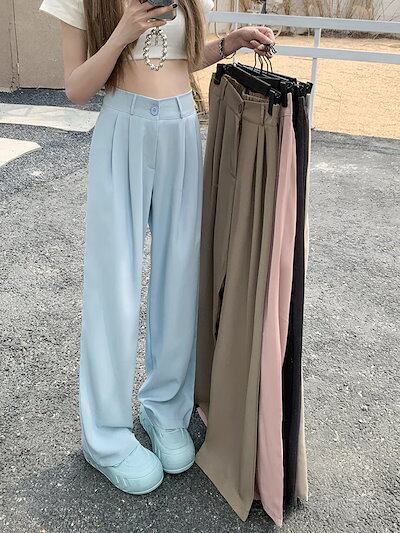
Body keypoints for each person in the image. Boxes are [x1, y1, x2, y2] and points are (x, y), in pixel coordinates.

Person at [38, 0, 275, 496]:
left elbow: (181, 59)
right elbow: (76, 88)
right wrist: (122, 33)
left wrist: (228, 44)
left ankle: (165, 408)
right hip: (121, 128)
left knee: (180, 275)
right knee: (113, 284)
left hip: (181, 126)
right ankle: (105, 436)